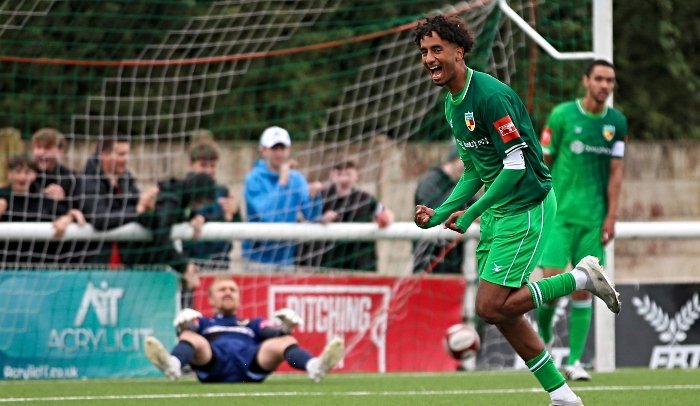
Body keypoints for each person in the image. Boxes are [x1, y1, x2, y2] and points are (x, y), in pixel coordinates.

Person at [412, 15, 620, 406]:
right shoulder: (452, 105)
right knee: (502, 311)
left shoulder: (490, 96)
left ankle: (579, 279)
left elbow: (515, 165)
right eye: (424, 52)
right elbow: (475, 170)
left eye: (436, 50)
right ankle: (562, 395)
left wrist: (472, 213)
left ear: (459, 52)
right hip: (500, 209)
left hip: (526, 204)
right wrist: (440, 213)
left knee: (490, 306)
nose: (429, 58)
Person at [536, 60, 627, 382]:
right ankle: (542, 336)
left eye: (610, 80)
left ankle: (574, 361)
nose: (605, 85)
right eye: (599, 79)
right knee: (550, 283)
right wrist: (536, 205)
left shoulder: (616, 123)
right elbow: (543, 162)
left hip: (593, 220)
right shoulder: (562, 115)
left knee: (584, 290)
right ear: (586, 81)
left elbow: (616, 172)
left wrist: (611, 215)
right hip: (558, 217)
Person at [144, 275, 344, 383]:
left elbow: (274, 335)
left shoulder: (252, 323)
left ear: (239, 298)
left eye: (232, 290)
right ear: (211, 299)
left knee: (285, 342)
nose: (228, 293)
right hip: (214, 364)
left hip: (250, 365)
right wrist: (183, 327)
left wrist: (286, 328)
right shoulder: (204, 323)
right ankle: (173, 365)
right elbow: (187, 334)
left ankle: (313, 366)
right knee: (190, 337)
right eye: (222, 290)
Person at [81, 136, 199, 288]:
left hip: (129, 267)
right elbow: (100, 219)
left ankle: (184, 268)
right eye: (121, 154)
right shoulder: (88, 181)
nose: (126, 159)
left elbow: (143, 215)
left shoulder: (126, 179)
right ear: (104, 155)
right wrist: (137, 210)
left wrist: (186, 216)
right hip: (94, 268)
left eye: (127, 154)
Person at [242, 126, 323, 270]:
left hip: (286, 259)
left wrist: (314, 198)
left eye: (282, 148)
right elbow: (269, 216)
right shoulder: (253, 179)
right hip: (257, 260)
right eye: (274, 148)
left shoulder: (297, 179)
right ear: (263, 150)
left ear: (289, 150)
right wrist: (283, 182)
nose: (278, 153)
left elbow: (311, 216)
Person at [296, 159, 394, 271]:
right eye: (339, 174)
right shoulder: (321, 197)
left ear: (357, 176)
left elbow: (386, 213)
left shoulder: (365, 199)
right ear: (332, 175)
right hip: (326, 265)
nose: (344, 179)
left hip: (359, 265)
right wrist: (321, 219)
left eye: (348, 174)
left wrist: (387, 218)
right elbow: (307, 218)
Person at [0, 154, 86, 265]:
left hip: (38, 268)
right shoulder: (2, 197)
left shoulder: (42, 199)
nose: (21, 177)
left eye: (27, 172)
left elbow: (69, 214)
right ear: (10, 174)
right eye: (17, 172)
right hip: (5, 267)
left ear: (34, 175)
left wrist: (68, 218)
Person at [412, 143, 475, 274]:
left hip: (453, 262)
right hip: (429, 263)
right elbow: (433, 213)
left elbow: (479, 209)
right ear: (455, 159)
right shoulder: (431, 180)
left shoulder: (460, 186)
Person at [182, 141, 242, 269]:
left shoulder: (222, 192)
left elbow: (237, 226)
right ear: (191, 165)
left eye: (213, 166)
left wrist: (235, 212)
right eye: (203, 166)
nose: (209, 171)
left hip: (220, 263)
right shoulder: (183, 192)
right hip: (191, 264)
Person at [30, 128, 83, 215]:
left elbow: (79, 209)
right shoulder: (24, 173)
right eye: (38, 147)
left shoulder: (71, 177)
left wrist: (63, 200)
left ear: (60, 152)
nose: (42, 152)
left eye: (47, 148)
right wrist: (42, 193)